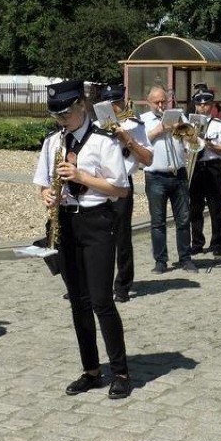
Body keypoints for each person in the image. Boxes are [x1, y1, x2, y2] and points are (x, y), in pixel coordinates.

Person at [33, 79, 132, 399]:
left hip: (96, 221)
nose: (61, 120)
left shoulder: (103, 141)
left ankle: (120, 371)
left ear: (80, 105)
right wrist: (47, 194)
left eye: (65, 113)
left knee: (102, 300)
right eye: (56, 115)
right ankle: (91, 369)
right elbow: (40, 183)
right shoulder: (52, 142)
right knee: (78, 302)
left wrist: (81, 177)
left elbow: (119, 189)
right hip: (66, 223)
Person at [97, 84, 154, 302]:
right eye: (110, 104)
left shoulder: (136, 126)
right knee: (97, 236)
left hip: (123, 182)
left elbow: (148, 159)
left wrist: (126, 139)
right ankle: (97, 281)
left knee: (122, 236)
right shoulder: (95, 127)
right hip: (99, 183)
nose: (115, 108)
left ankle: (123, 285)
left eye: (118, 103)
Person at [140, 85, 201, 274]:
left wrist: (180, 128)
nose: (160, 105)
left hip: (178, 174)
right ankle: (160, 261)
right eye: (156, 102)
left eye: (163, 101)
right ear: (148, 102)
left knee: (183, 219)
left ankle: (185, 258)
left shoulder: (178, 116)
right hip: (155, 176)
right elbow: (140, 144)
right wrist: (158, 130)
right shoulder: (143, 121)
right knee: (158, 222)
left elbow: (194, 142)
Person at [189, 88, 221, 256]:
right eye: (199, 104)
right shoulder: (188, 124)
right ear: (195, 105)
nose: (203, 107)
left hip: (212, 166)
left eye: (206, 104)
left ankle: (217, 243)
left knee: (215, 206)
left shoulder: (218, 124)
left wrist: (210, 146)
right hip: (195, 165)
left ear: (211, 105)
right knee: (195, 207)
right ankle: (197, 242)